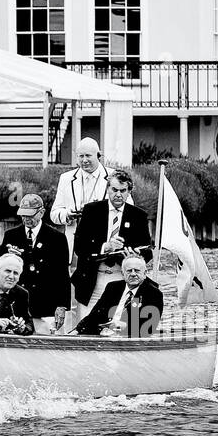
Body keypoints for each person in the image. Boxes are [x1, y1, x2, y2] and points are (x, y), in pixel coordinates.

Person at [71, 168, 153, 317]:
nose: (118, 194)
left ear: (129, 192)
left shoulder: (138, 216)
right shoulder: (91, 211)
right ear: (107, 188)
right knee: (85, 328)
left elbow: (147, 253)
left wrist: (135, 256)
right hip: (92, 278)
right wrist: (106, 246)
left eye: (123, 191)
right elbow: (79, 247)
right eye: (114, 189)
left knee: (116, 325)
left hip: (121, 277)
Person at [0, 193, 71, 334]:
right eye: (23, 215)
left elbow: (62, 275)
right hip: (17, 307)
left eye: (30, 215)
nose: (26, 219)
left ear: (41, 213)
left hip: (47, 306)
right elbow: (0, 270)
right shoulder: (11, 236)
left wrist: (62, 306)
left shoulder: (57, 238)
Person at [50, 137, 114, 256]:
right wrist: (67, 215)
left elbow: (127, 209)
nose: (84, 160)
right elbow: (54, 214)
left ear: (98, 155)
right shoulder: (66, 179)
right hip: (75, 244)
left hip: (104, 244)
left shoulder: (113, 176)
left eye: (88, 155)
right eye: (80, 156)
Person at [75, 255, 164, 337]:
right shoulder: (113, 287)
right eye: (129, 271)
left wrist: (123, 326)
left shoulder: (153, 293)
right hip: (103, 336)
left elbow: (149, 328)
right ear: (122, 273)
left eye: (137, 270)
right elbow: (94, 315)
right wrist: (77, 330)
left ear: (145, 273)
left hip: (130, 340)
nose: (133, 274)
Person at [0, 253, 35, 335]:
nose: (11, 276)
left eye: (16, 273)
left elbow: (29, 325)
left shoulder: (22, 293)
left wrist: (22, 328)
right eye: (8, 271)